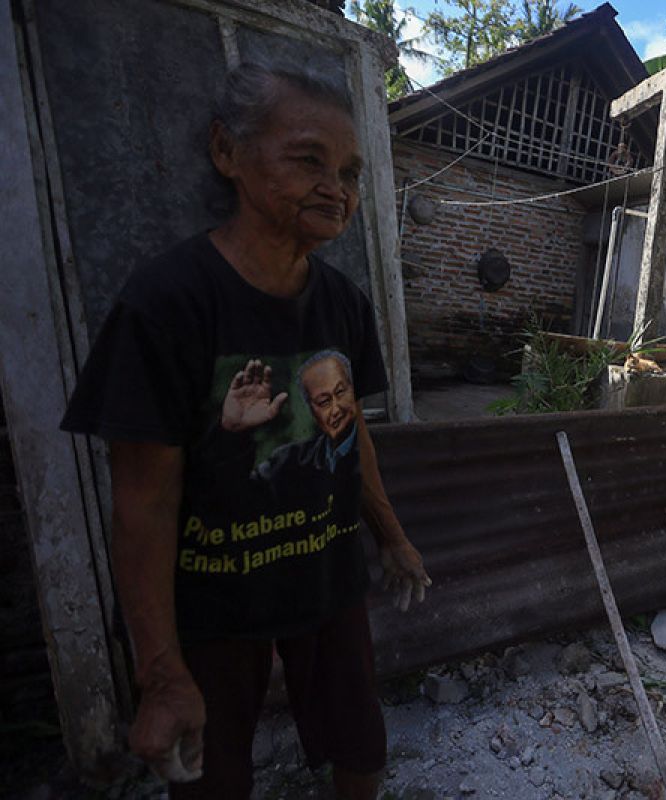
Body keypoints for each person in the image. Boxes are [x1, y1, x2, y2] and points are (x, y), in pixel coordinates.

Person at [60, 62, 431, 799]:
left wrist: (389, 534)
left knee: (359, 744)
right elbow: (142, 504)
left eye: (350, 171)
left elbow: (348, 430)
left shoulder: (344, 304)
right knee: (211, 776)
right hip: (214, 606)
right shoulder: (166, 305)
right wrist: (161, 672)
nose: (338, 188)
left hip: (327, 580)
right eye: (308, 160)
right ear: (227, 152)